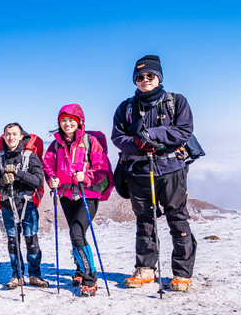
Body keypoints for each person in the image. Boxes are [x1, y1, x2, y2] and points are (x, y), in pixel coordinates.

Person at [111, 54, 197, 292]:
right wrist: (139, 143)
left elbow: (184, 131)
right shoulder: (126, 107)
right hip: (138, 170)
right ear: (135, 80)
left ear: (159, 77)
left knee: (177, 218)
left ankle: (182, 273)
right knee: (145, 221)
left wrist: (155, 135)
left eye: (150, 75)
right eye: (140, 76)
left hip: (171, 169)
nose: (145, 79)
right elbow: (118, 137)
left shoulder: (176, 101)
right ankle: (145, 269)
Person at [43, 104, 114, 296]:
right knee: (76, 236)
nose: (67, 124)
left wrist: (86, 177)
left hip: (87, 193)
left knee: (76, 233)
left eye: (71, 120)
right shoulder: (56, 143)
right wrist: (52, 179)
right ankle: (80, 270)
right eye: (63, 120)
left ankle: (90, 278)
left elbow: (101, 168)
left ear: (79, 122)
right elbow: (48, 164)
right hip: (66, 194)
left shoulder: (90, 141)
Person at [0, 123, 48, 289]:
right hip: (8, 205)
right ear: (4, 136)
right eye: (8, 134)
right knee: (13, 242)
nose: (11, 137)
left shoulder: (30, 156)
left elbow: (38, 180)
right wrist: (2, 181)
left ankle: (35, 275)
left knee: (32, 241)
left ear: (22, 136)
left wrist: (18, 174)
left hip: (27, 205)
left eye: (15, 134)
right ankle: (17, 276)